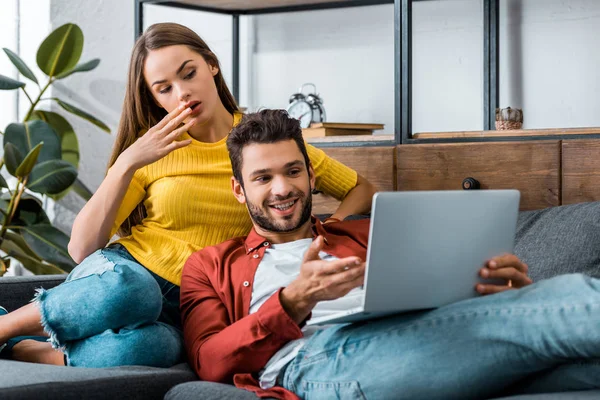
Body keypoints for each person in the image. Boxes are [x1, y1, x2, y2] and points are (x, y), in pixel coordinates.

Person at [0, 23, 375, 368]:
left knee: (153, 351)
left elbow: (362, 189)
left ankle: (24, 351)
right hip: (126, 274)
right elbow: (81, 249)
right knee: (130, 291)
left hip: (195, 302)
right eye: (164, 88)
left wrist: (330, 227)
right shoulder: (153, 148)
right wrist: (128, 162)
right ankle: (4, 327)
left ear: (211, 65)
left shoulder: (262, 143)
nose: (182, 93)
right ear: (154, 98)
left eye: (189, 73)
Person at [180, 109, 600, 400]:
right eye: (262, 177)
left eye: (292, 172)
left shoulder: (370, 231)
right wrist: (295, 300)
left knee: (583, 366)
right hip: (319, 363)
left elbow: (437, 299)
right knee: (570, 299)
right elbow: (210, 362)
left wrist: (496, 292)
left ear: (310, 176)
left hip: (421, 336)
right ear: (240, 190)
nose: (282, 188)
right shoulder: (210, 265)